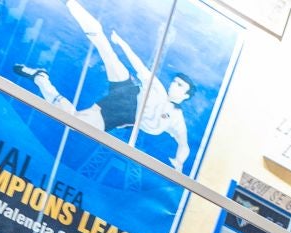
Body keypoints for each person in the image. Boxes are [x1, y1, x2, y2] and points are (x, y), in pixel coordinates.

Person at [15, 0, 196, 169]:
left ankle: (41, 78)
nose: (173, 85)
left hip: (120, 114)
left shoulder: (176, 120)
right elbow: (138, 65)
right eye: (174, 82)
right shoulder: (158, 89)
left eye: (179, 86)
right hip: (128, 93)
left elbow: (183, 143)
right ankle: (70, 3)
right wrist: (121, 43)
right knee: (104, 46)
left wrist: (178, 164)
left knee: (73, 122)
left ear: (186, 96)